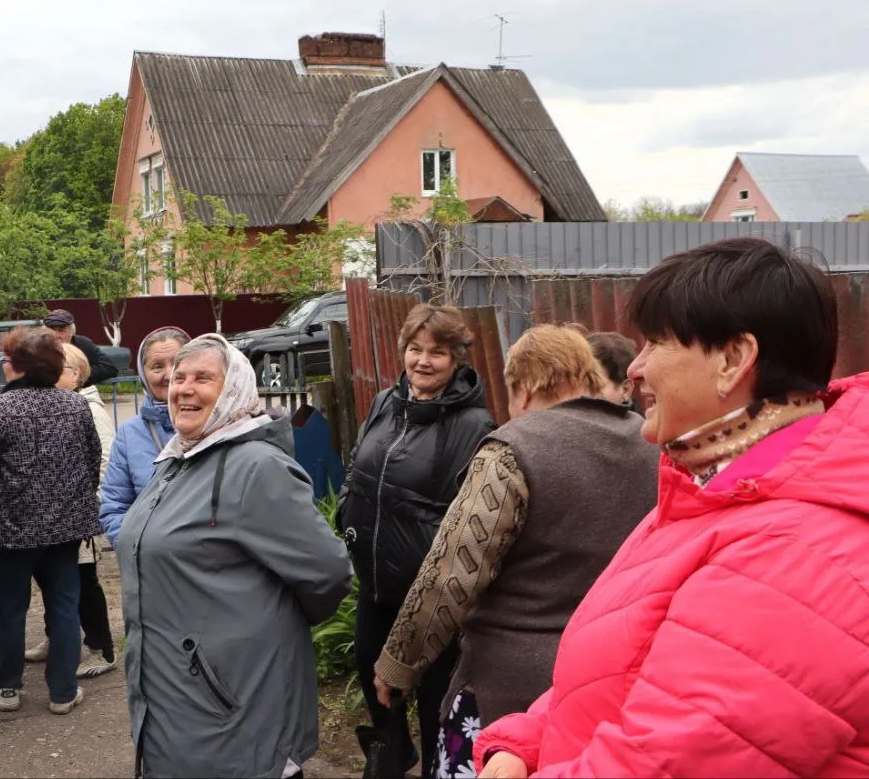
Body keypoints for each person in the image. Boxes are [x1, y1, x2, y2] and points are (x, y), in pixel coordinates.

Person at [475, 238, 869, 779]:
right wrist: (526, 741)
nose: (634, 368)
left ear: (733, 360)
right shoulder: (716, 491)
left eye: (656, 343)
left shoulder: (796, 549)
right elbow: (618, 670)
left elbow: (662, 762)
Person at [372, 325, 658, 777]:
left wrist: (398, 665)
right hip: (613, 688)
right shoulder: (650, 444)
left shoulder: (510, 450)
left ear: (523, 387)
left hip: (505, 692)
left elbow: (450, 575)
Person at [117, 334, 353, 778]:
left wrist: (266, 625)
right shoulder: (178, 460)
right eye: (179, 378)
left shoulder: (257, 467)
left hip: (235, 700)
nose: (183, 388)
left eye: (203, 378)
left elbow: (327, 573)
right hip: (171, 697)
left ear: (234, 390)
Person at [337, 303, 496, 778]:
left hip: (430, 594)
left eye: (437, 353)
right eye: (415, 349)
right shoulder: (386, 403)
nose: (423, 361)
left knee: (433, 698)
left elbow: (467, 512)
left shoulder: (473, 424)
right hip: (376, 582)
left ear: (457, 360)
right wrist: (347, 508)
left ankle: (433, 766)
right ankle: (393, 748)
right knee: (371, 670)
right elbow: (356, 465)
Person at [0, 327, 102, 716]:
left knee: (10, 608)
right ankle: (63, 691)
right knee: (64, 605)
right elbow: (92, 461)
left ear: (16, 366)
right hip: (65, 528)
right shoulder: (75, 406)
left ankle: (8, 686)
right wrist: (76, 505)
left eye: (7, 359)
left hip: (12, 528)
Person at [27, 340, 117, 678]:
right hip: (52, 515)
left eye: (59, 368)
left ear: (76, 374)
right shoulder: (55, 406)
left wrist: (91, 506)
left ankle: (101, 648)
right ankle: (57, 636)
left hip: (79, 514)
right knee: (51, 581)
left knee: (83, 581)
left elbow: (106, 462)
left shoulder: (90, 410)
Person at [99, 326, 191, 546]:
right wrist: (141, 552)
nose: (168, 374)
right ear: (143, 373)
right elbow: (114, 508)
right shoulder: (130, 434)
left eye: (177, 363)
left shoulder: (219, 424)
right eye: (157, 366)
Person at [43, 308, 117, 386]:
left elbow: (109, 368)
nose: (56, 335)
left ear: (71, 332)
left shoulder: (82, 344)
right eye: (51, 331)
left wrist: (76, 376)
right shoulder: (39, 347)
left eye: (61, 331)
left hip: (78, 389)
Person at [586, 330, 643, 415]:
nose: (583, 395)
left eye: (595, 386)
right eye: (577, 386)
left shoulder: (645, 424)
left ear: (626, 390)